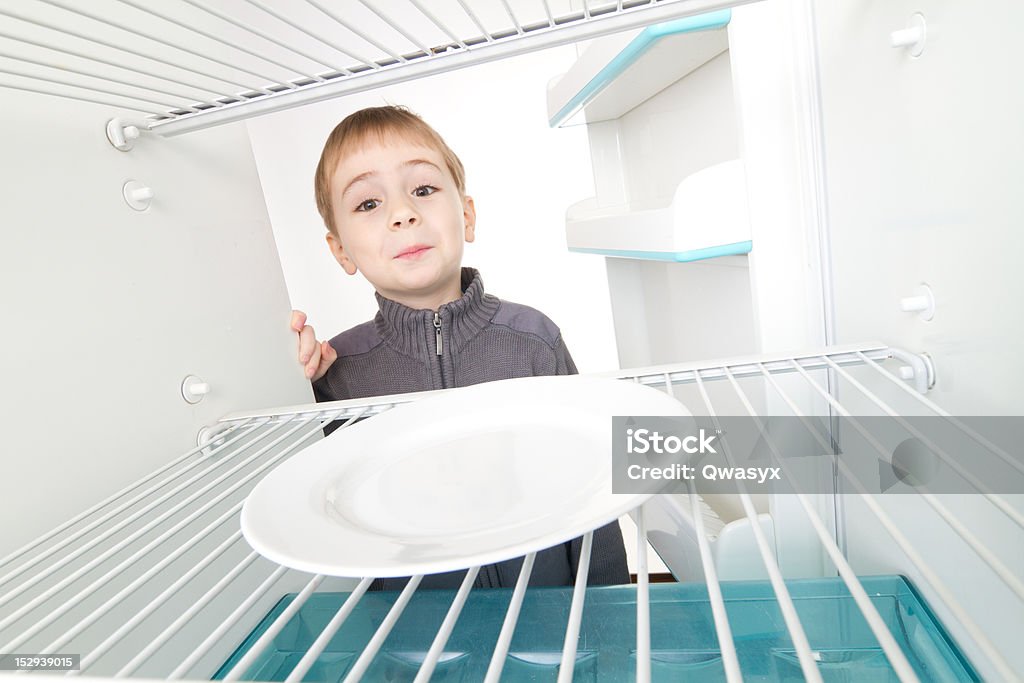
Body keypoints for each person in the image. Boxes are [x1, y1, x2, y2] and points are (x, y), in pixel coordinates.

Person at [290, 105, 628, 591]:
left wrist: (607, 614)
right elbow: (323, 515)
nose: (403, 214)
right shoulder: (337, 373)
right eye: (368, 204)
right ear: (341, 250)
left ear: (466, 215)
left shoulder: (534, 339)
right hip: (415, 641)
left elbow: (592, 487)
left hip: (550, 618)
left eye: (423, 190)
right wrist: (292, 384)